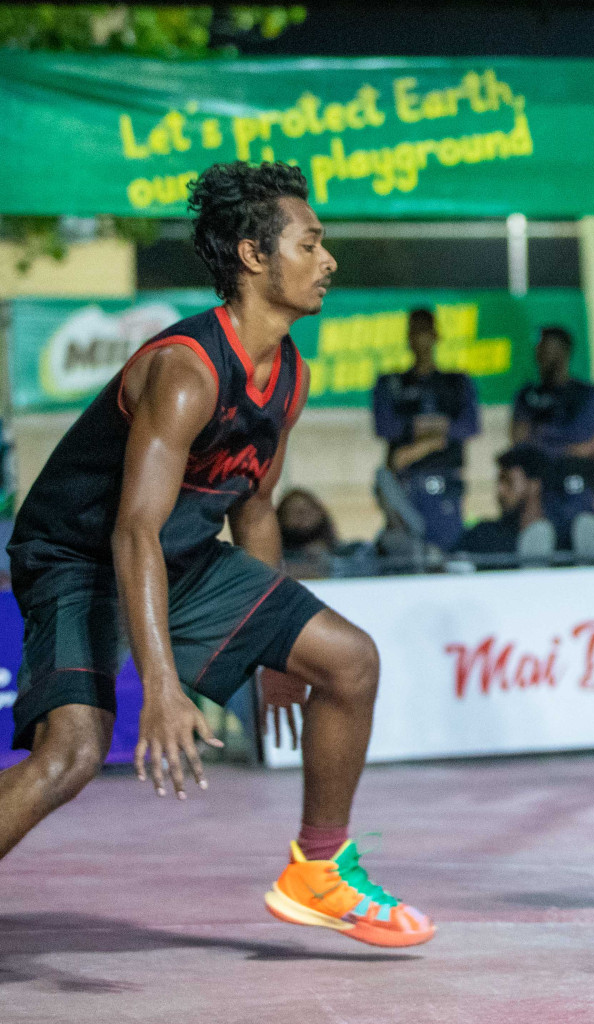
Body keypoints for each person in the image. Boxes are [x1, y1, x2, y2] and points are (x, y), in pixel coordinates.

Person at [0, 162, 434, 947]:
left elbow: (256, 504)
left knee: (349, 662)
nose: (329, 260)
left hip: (181, 552)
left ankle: (320, 868)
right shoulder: (187, 372)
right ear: (254, 256)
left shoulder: (289, 374)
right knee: (71, 756)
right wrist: (163, 688)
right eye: (311, 243)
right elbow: (132, 530)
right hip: (77, 555)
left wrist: (271, 649)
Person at [371, 307, 480, 550]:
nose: (421, 338)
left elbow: (469, 426)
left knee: (447, 552)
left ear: (436, 335)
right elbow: (385, 426)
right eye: (415, 331)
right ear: (408, 337)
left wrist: (417, 433)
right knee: (404, 552)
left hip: (446, 483)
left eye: (425, 330)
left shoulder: (456, 382)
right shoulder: (391, 383)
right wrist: (434, 436)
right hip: (405, 484)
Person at [512, 325, 594, 548]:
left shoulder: (586, 393)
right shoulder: (527, 395)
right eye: (540, 350)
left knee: (585, 530)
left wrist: (538, 435)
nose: (542, 355)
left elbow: (583, 437)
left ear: (565, 352)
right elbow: (518, 438)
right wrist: (566, 443)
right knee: (537, 537)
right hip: (537, 487)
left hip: (576, 485)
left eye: (549, 349)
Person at [455, 443, 555, 558]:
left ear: (534, 486)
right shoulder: (483, 535)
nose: (499, 490)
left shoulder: (561, 537)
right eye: (499, 482)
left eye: (508, 481)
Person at [277, 488, 339, 579]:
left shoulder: (341, 554)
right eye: (294, 511)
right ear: (281, 518)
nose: (302, 515)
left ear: (320, 513)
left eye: (308, 510)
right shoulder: (275, 560)